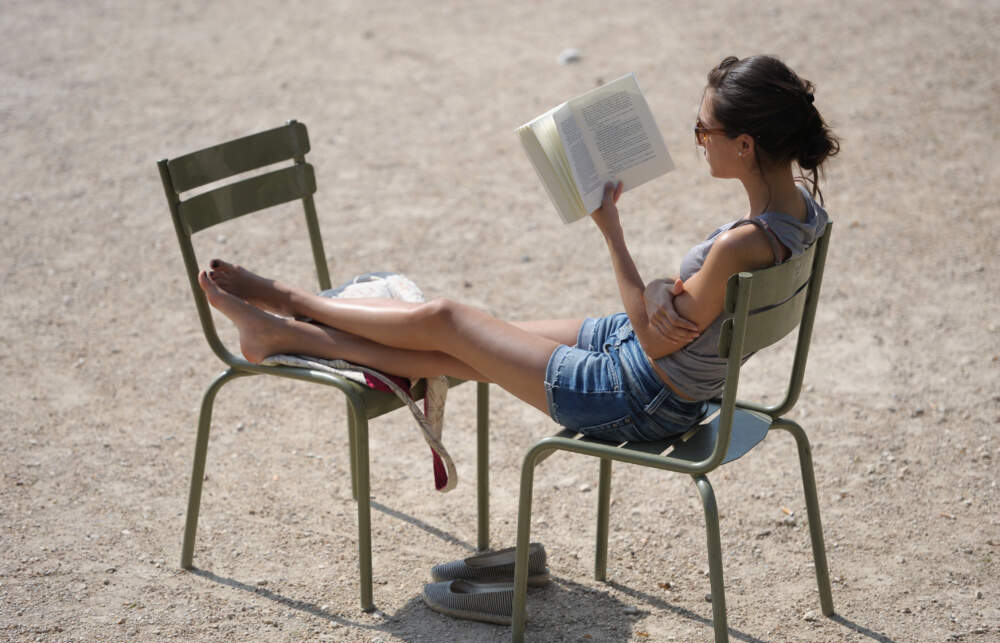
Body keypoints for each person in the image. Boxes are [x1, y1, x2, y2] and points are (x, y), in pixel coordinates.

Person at [197, 54, 839, 444]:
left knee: (447, 322)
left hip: (639, 395)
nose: (699, 140)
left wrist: (612, 232)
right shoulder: (803, 217)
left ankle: (291, 303)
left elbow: (654, 338)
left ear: (746, 144)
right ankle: (282, 333)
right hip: (664, 378)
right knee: (454, 346)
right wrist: (654, 297)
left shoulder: (739, 247)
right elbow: (669, 323)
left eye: (705, 130)